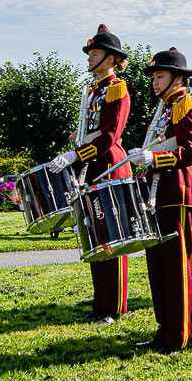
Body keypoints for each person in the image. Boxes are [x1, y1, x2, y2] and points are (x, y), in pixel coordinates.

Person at [48, 26, 134, 324]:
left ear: (110, 59)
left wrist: (77, 154)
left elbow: (110, 135)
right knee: (95, 235)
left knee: (113, 237)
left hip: (109, 165)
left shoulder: (116, 88)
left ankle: (115, 306)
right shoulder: (94, 90)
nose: (89, 58)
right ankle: (100, 303)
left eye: (94, 54)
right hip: (92, 167)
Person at [128, 48, 192, 352]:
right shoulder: (164, 109)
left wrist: (155, 159)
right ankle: (164, 329)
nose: (154, 82)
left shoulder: (186, 106)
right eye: (153, 77)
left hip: (177, 193)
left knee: (175, 267)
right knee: (158, 268)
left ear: (178, 79)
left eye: (159, 76)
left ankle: (178, 335)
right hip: (157, 195)